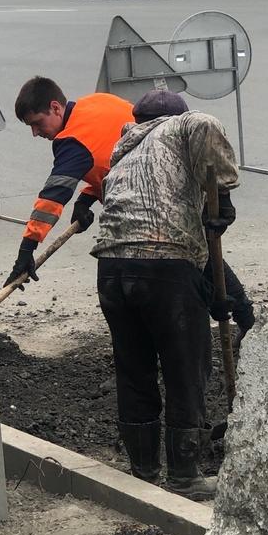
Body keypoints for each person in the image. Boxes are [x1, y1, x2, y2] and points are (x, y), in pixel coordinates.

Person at [90, 89, 240, 501]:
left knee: (134, 370)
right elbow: (204, 124)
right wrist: (223, 193)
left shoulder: (125, 149)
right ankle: (184, 475)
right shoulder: (180, 126)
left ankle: (144, 470)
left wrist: (224, 297)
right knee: (185, 369)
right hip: (164, 266)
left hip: (112, 269)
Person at [3, 77, 135, 290]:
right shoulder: (98, 101)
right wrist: (85, 199)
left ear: (55, 108)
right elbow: (113, 161)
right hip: (181, 191)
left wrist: (26, 251)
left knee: (116, 286)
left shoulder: (73, 140)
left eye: (37, 123)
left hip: (146, 217)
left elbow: (52, 197)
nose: (35, 133)